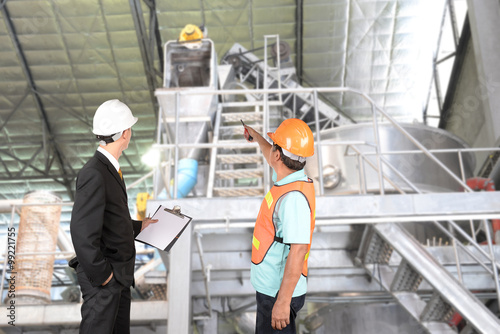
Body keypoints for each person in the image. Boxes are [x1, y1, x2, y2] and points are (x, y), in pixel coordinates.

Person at [69, 99, 157, 334]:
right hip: (105, 278)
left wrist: (139, 226)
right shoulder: (94, 173)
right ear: (125, 133)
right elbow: (81, 231)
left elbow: (109, 219)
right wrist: (104, 276)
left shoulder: (108, 169)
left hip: (118, 277)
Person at [243, 118, 316, 333]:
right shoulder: (292, 179)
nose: (271, 151)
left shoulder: (293, 198)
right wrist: (257, 137)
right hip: (272, 288)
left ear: (278, 156)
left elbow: (299, 249)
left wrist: (283, 303)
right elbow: (272, 154)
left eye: (274, 146)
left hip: (278, 294)